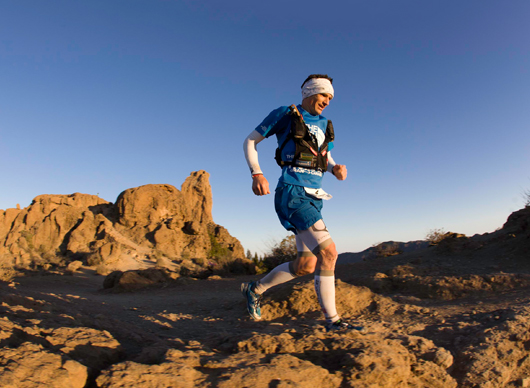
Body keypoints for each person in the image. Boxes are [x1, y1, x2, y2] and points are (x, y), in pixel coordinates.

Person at [241, 74, 363, 332]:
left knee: (305, 265)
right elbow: (250, 141)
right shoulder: (286, 113)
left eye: (330, 97)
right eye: (323, 95)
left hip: (314, 196)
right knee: (329, 254)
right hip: (292, 193)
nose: (327, 101)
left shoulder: (325, 124)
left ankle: (255, 289)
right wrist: (257, 173)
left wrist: (334, 169)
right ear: (310, 92)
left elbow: (324, 155)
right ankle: (334, 323)